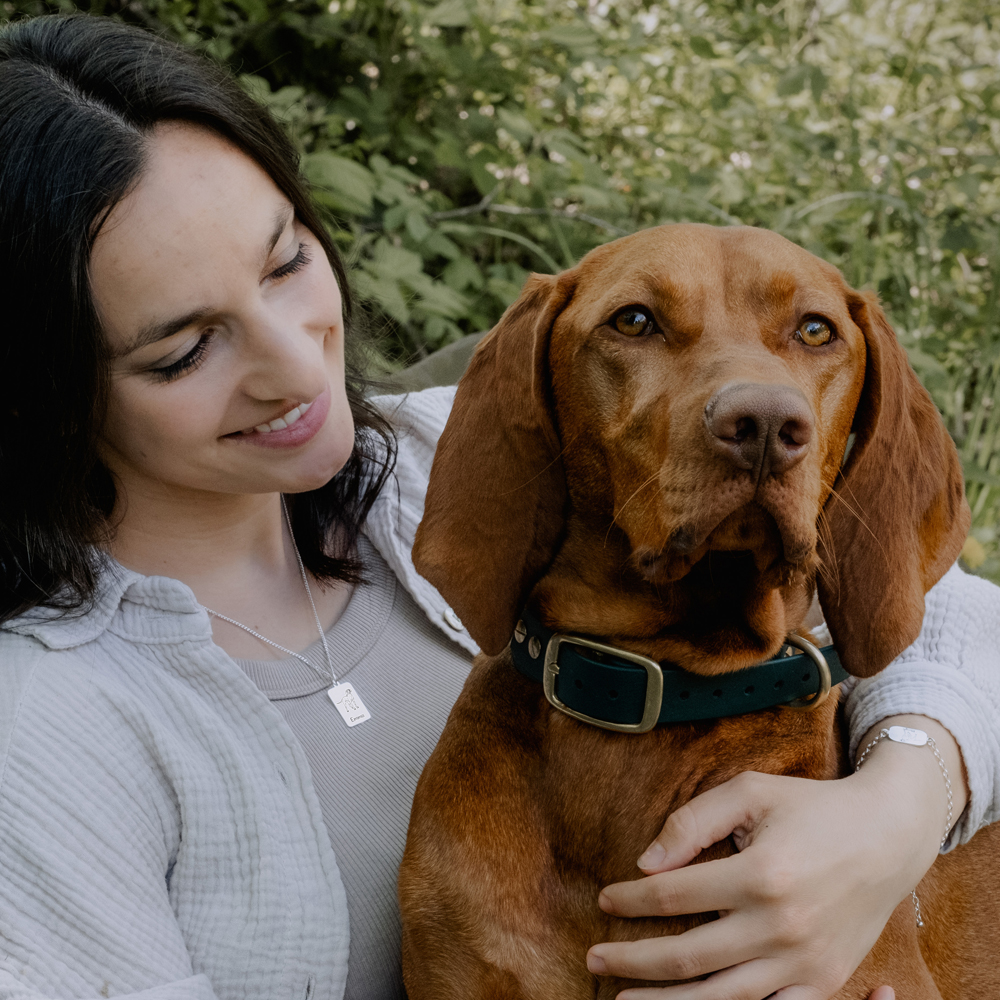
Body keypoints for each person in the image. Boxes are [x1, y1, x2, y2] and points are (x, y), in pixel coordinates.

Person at [0, 13, 996, 1000]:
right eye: (184, 347)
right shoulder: (47, 730)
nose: (297, 363)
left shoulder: (445, 451)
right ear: (48, 392)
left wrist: (896, 809)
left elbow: (950, 605)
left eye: (285, 261)